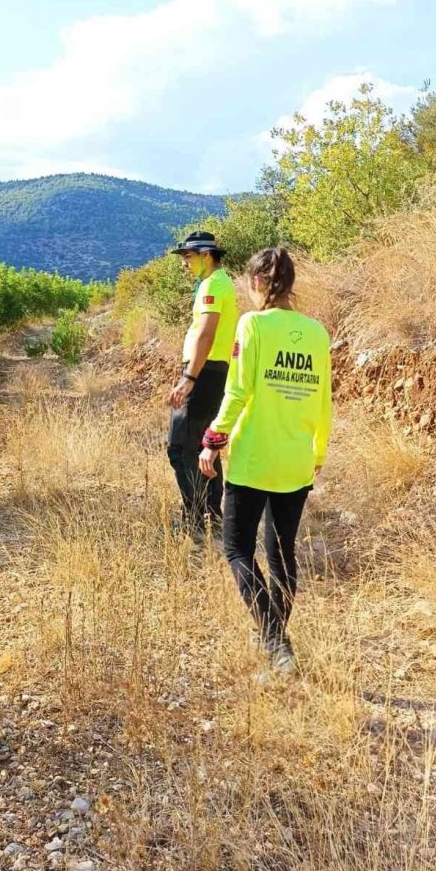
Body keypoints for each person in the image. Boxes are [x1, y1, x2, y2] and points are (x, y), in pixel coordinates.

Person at [199, 246, 331, 674]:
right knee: (281, 555)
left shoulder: (251, 325)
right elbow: (324, 402)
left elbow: (237, 392)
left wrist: (213, 440)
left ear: (257, 283)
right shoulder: (316, 333)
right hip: (295, 461)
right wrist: (318, 453)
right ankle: (276, 639)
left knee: (237, 549)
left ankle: (275, 641)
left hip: (254, 459)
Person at [167, 231, 238, 537]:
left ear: (206, 255)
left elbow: (206, 333)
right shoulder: (215, 283)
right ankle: (212, 516)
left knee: (181, 447)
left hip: (205, 373)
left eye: (188, 256)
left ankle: (195, 522)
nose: (185, 263)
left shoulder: (214, 284)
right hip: (211, 371)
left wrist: (189, 378)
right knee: (202, 445)